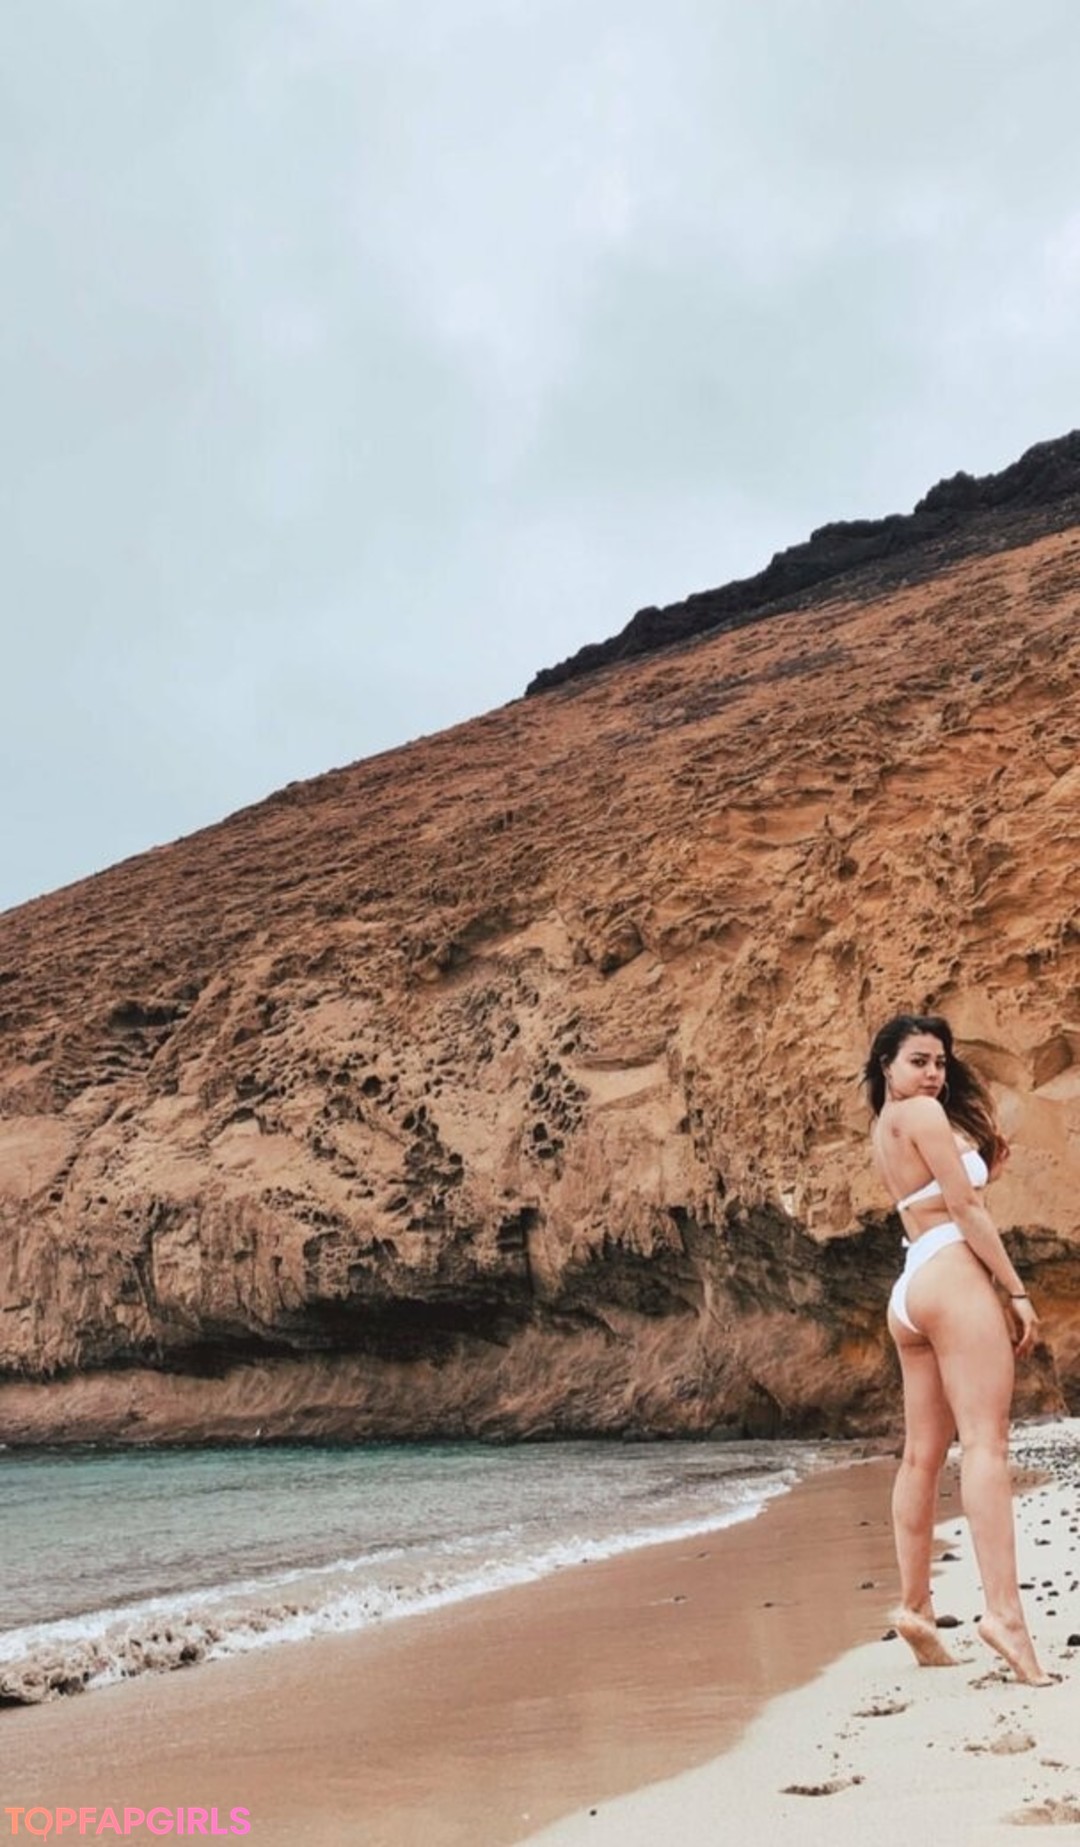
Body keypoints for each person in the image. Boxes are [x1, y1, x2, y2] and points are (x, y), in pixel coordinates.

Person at [864, 1012, 1052, 1687]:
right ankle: (1004, 1617)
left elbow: (938, 1201)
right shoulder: (923, 1114)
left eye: (940, 1062)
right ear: (886, 1064)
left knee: (921, 1454)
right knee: (985, 1445)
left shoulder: (887, 1124)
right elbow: (966, 1211)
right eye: (918, 1060)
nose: (933, 1073)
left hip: (911, 1287)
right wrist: (1017, 1291)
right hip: (950, 1274)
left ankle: (916, 1608)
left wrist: (979, 1172)